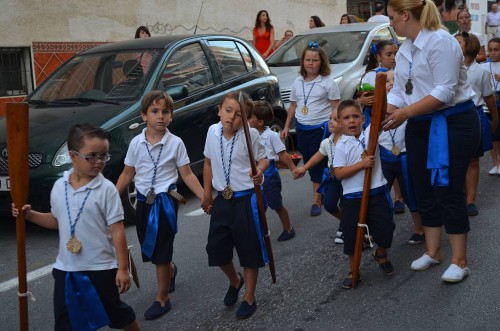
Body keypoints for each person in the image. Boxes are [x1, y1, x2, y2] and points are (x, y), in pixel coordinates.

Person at [384, 0, 480, 283]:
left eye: (391, 17)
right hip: (418, 123)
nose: (390, 22)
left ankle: (460, 261)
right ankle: (433, 251)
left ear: (405, 15)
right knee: (422, 187)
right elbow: (401, 90)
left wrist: (404, 113)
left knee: (448, 188)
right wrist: (384, 111)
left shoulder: (440, 41)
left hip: (452, 123)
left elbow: (445, 91)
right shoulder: (405, 48)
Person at [12, 123, 140, 331]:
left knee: (115, 314)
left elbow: (117, 231)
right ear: (73, 156)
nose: (99, 161)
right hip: (66, 269)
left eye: (104, 156)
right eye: (92, 156)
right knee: (66, 323)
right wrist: (30, 215)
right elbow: (56, 220)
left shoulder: (106, 190)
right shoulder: (59, 187)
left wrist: (123, 269)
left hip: (101, 268)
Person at [116, 91, 204, 320]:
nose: (160, 116)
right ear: (144, 115)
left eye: (166, 112)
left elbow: (186, 174)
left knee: (162, 251)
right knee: (151, 247)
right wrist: (111, 196)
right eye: (154, 111)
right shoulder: (136, 143)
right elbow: (127, 173)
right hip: (144, 203)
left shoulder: (175, 143)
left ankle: (162, 299)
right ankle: (170, 271)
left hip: (166, 202)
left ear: (171, 117)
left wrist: (205, 197)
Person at [201, 91, 269, 319]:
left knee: (249, 250)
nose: (232, 117)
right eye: (228, 111)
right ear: (219, 110)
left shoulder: (251, 136)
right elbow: (208, 162)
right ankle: (235, 280)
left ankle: (250, 296)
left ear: (246, 119)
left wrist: (259, 171)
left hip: (245, 199)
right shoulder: (212, 131)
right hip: (223, 199)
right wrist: (207, 193)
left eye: (239, 115)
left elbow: (265, 158)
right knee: (216, 249)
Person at [333, 100, 396, 289]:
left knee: (385, 229)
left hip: (376, 190)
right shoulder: (341, 144)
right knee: (352, 236)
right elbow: (339, 173)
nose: (351, 121)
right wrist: (361, 164)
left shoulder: (370, 133)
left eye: (355, 116)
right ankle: (354, 269)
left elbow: (381, 110)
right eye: (346, 118)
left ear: (362, 118)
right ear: (340, 122)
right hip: (353, 197)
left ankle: (381, 253)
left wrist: (379, 90)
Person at [281, 42, 341, 217]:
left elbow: (335, 108)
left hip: (320, 128)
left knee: (316, 162)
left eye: (315, 60)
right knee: (308, 158)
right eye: (308, 60)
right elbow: (293, 106)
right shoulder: (297, 82)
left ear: (321, 62)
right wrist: (286, 127)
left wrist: (335, 129)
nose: (311, 63)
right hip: (302, 128)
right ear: (303, 62)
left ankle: (317, 199)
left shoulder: (328, 83)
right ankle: (323, 186)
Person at [379, 70, 425, 244]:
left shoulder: (410, 105)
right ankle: (377, 232)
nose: (391, 83)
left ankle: (419, 229)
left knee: (410, 193)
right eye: (387, 81)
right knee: (381, 194)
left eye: (394, 80)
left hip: (406, 155)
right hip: (385, 155)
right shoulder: (378, 109)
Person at [455, 32, 498, 216]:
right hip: (453, 116)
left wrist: (495, 119)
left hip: (475, 114)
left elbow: (489, 98)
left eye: (458, 43)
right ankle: (458, 194)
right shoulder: (448, 67)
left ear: (469, 47)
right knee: (456, 159)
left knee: (473, 160)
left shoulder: (481, 71)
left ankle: (470, 200)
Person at [293, 109, 344, 244]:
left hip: (347, 179)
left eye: (335, 119)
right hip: (333, 180)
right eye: (330, 119)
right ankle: (345, 221)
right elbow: (317, 156)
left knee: (347, 205)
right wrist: (304, 168)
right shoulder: (327, 142)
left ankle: (347, 228)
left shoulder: (348, 141)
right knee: (329, 204)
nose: (330, 122)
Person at [248, 101, 297, 241]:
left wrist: (293, 169)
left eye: (249, 117)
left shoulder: (271, 136)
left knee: (276, 204)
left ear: (260, 122)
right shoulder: (250, 135)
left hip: (270, 176)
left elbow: (283, 154)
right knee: (258, 206)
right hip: (257, 175)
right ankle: (259, 233)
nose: (246, 120)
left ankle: (288, 229)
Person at [481, 37, 500, 176]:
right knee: (493, 134)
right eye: (491, 50)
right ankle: (495, 163)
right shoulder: (484, 66)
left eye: (497, 50)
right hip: (489, 103)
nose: (493, 53)